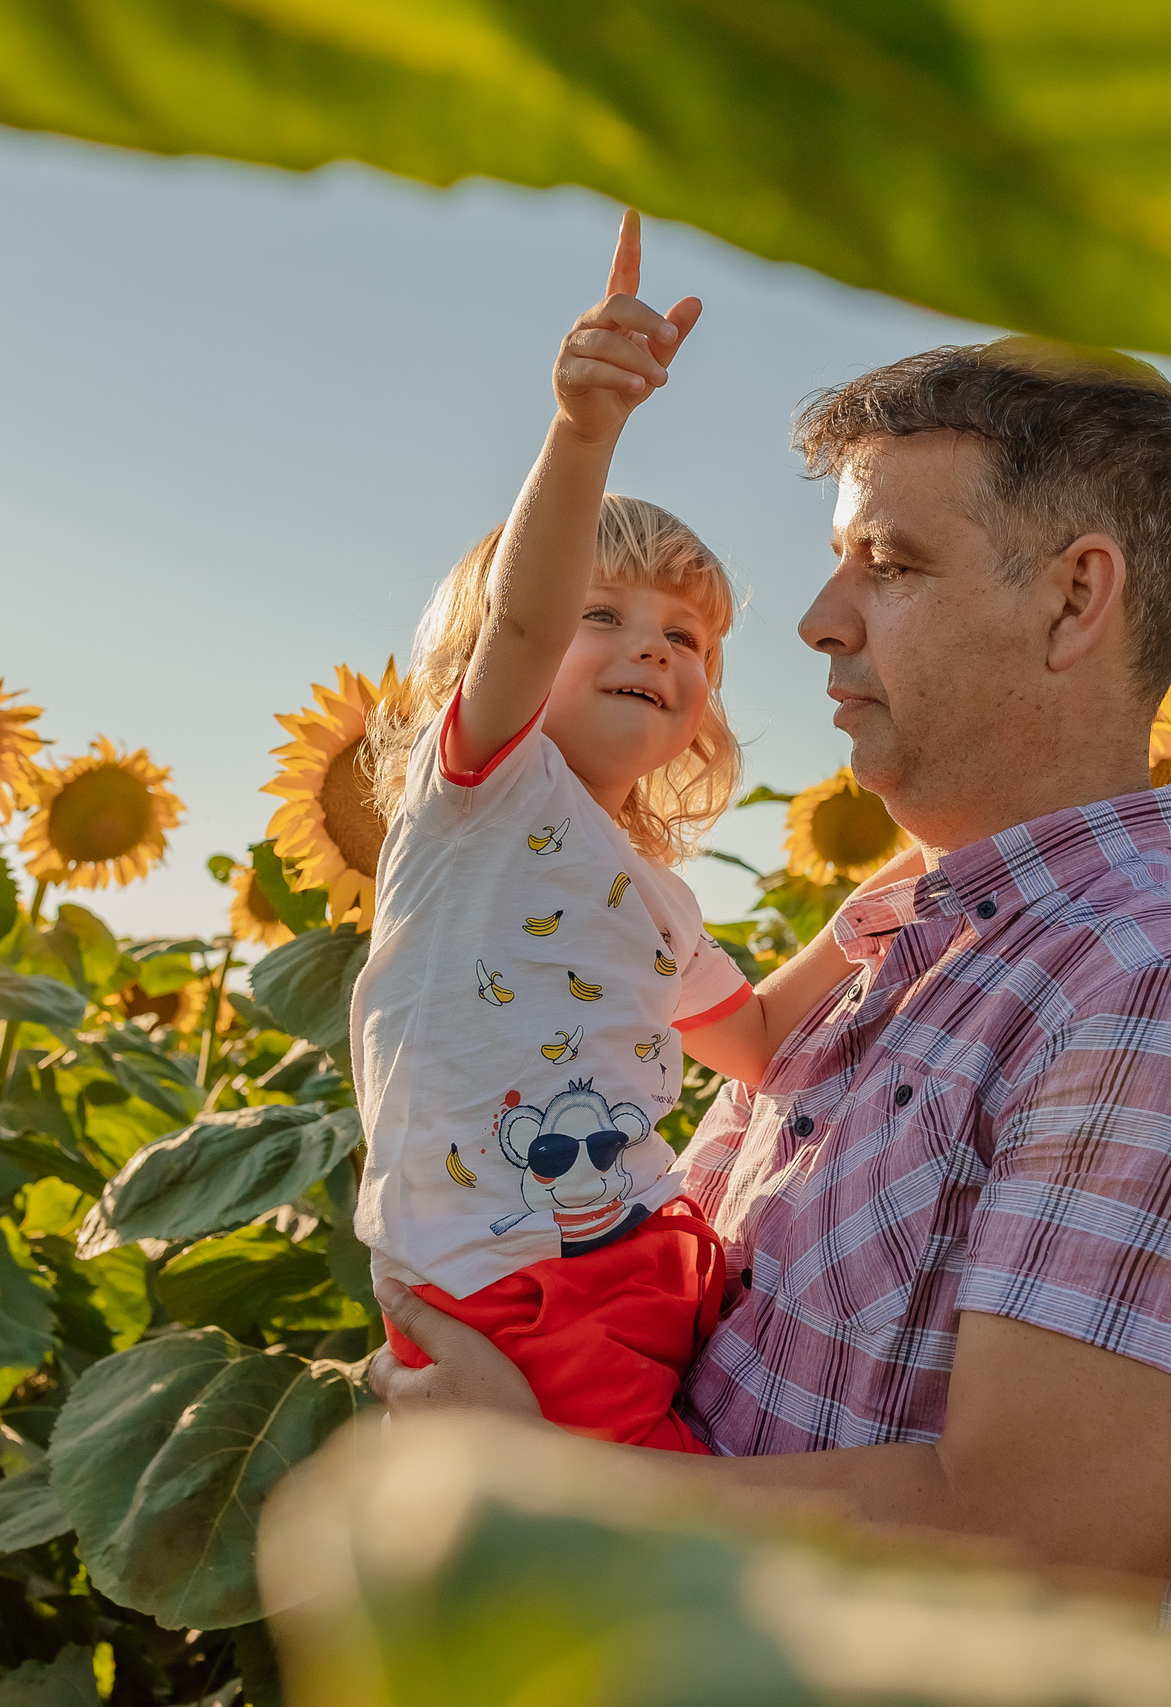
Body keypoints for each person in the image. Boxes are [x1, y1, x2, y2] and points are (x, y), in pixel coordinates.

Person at [371, 334, 1171, 1640]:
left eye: (891, 564)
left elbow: (1048, 1549)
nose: (814, 621)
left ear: (1076, 600)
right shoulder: (909, 953)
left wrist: (538, 1492)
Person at [350, 212, 920, 1453]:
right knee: (630, 1550)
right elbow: (521, 620)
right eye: (604, 613)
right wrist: (582, 430)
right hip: (506, 1289)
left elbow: (759, 1044)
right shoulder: (484, 793)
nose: (655, 645)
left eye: (691, 636)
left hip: (640, 1256)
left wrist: (874, 913)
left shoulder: (651, 898)